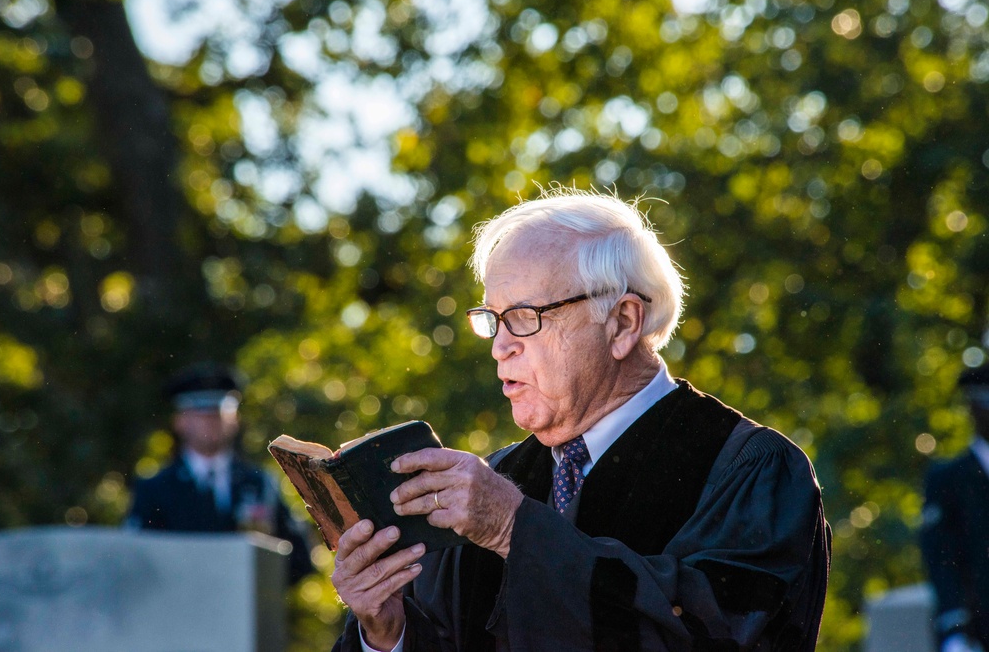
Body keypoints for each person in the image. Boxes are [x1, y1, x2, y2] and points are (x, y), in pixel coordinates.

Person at [330, 187, 831, 651]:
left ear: (623, 322)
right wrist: (385, 633)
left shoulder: (750, 470)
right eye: (492, 320)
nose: (500, 347)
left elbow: (711, 639)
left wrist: (516, 530)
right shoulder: (495, 481)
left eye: (525, 317)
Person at [125, 362, 315, 585]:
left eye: (218, 411)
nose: (210, 420)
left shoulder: (259, 483)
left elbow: (300, 560)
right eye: (199, 412)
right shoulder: (155, 489)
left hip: (246, 613)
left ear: (234, 420)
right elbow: (136, 564)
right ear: (180, 422)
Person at [921, 363, 989, 652]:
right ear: (973, 408)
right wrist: (955, 628)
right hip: (977, 631)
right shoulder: (948, 478)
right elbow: (942, 556)